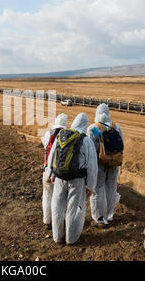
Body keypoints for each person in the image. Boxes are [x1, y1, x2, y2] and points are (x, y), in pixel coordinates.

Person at [48, 113, 98, 245]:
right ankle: (71, 238)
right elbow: (92, 166)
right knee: (74, 209)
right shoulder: (86, 140)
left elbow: (52, 156)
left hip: (59, 178)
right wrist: (90, 186)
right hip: (77, 180)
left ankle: (57, 237)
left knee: (57, 206)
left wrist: (51, 174)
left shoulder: (61, 136)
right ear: (85, 125)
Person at [87, 103, 124, 225]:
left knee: (98, 189)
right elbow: (122, 145)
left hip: (99, 164)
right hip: (114, 164)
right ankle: (109, 215)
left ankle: (99, 217)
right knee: (111, 189)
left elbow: (90, 148)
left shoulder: (93, 128)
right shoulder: (116, 127)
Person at [41, 113, 68, 228]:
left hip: (47, 170)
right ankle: (59, 222)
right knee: (60, 198)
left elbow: (45, 145)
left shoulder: (48, 134)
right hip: (60, 172)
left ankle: (47, 221)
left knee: (47, 196)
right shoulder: (67, 135)